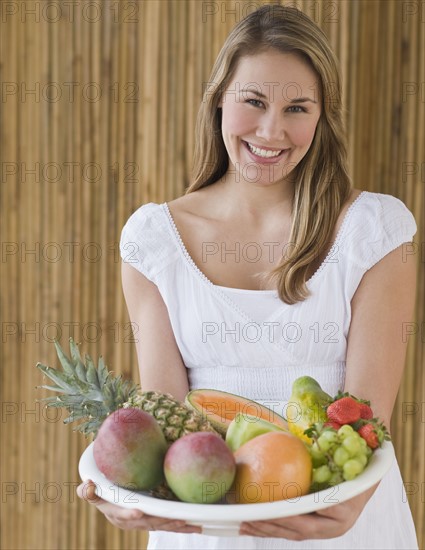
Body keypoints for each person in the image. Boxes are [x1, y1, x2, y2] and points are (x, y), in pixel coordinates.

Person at [77, 4, 419, 549]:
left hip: (341, 519)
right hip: (207, 529)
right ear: (218, 101)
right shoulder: (155, 239)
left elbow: (365, 421)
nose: (271, 130)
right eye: (254, 101)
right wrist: (130, 497)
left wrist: (347, 509)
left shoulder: (374, 231)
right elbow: (164, 416)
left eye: (298, 108)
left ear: (322, 116)